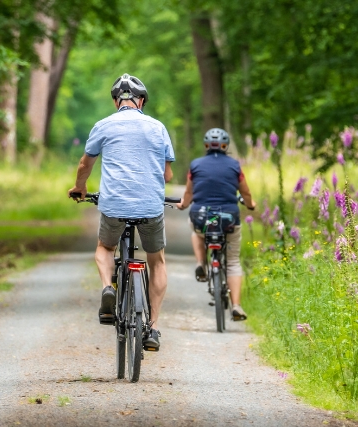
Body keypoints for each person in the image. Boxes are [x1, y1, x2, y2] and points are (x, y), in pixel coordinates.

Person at [68, 73, 175, 351]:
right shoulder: (157, 127)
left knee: (105, 247)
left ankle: (108, 288)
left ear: (117, 102)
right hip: (151, 206)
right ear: (141, 101)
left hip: (114, 205)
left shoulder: (103, 125)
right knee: (158, 261)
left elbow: (84, 165)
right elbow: (168, 173)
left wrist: (80, 187)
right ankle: (153, 328)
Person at [176, 128, 255, 321]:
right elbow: (245, 193)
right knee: (234, 262)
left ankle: (201, 263)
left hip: (202, 217)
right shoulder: (235, 166)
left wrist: (184, 205)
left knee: (195, 229)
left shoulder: (195, 165)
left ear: (206, 146)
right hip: (229, 218)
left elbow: (188, 193)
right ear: (225, 145)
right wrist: (251, 205)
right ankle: (236, 305)